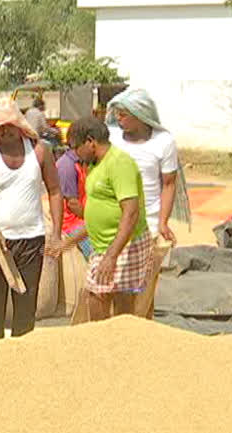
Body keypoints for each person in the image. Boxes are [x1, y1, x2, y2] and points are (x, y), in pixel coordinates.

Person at [0, 97, 64, 343]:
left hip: (31, 241)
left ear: (19, 125)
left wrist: (57, 234)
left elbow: (54, 191)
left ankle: (20, 365)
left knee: (26, 309)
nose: (3, 131)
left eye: (8, 125)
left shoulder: (40, 152)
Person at [53, 116, 152, 321]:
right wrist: (69, 243)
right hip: (103, 245)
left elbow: (131, 212)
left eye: (75, 147)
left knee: (113, 299)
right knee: (97, 295)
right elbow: (97, 211)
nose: (74, 153)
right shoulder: (94, 165)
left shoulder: (119, 163)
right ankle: (104, 343)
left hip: (124, 245)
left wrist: (111, 256)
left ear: (90, 142)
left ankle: (119, 344)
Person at [107, 88, 189, 317]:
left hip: (148, 222)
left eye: (124, 114)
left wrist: (162, 222)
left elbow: (169, 184)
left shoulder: (163, 142)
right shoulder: (112, 137)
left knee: (143, 286)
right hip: (115, 219)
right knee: (117, 283)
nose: (119, 119)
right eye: (117, 114)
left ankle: (141, 331)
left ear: (140, 115)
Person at [56, 148, 92, 259]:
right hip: (73, 222)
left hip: (82, 218)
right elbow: (73, 204)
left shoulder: (81, 163)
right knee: (96, 252)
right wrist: (93, 220)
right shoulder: (67, 166)